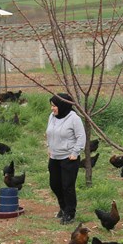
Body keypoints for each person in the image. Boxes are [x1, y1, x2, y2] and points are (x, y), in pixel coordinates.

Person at [46, 93, 86, 224]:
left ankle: (70, 213)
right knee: (54, 184)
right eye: (51, 105)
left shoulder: (74, 118)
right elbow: (49, 133)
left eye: (54, 106)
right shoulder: (52, 117)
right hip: (54, 156)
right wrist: (49, 147)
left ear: (62, 105)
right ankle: (63, 207)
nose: (52, 108)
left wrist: (75, 152)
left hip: (69, 157)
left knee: (67, 186)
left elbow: (81, 137)